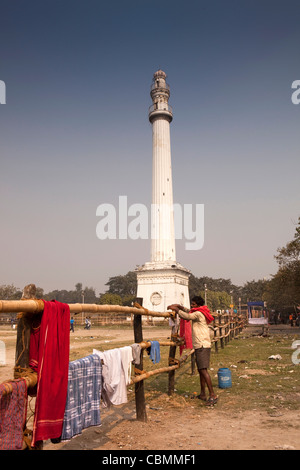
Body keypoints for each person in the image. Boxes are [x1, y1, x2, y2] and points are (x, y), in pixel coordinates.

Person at [168, 295, 218, 406]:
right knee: (201, 370)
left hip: (202, 345)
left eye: (194, 304)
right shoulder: (200, 311)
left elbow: (187, 316)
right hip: (201, 345)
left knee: (203, 370)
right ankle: (203, 394)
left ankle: (212, 395)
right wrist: (180, 306)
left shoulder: (199, 314)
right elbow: (189, 311)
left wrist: (176, 310)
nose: (192, 305)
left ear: (198, 305)